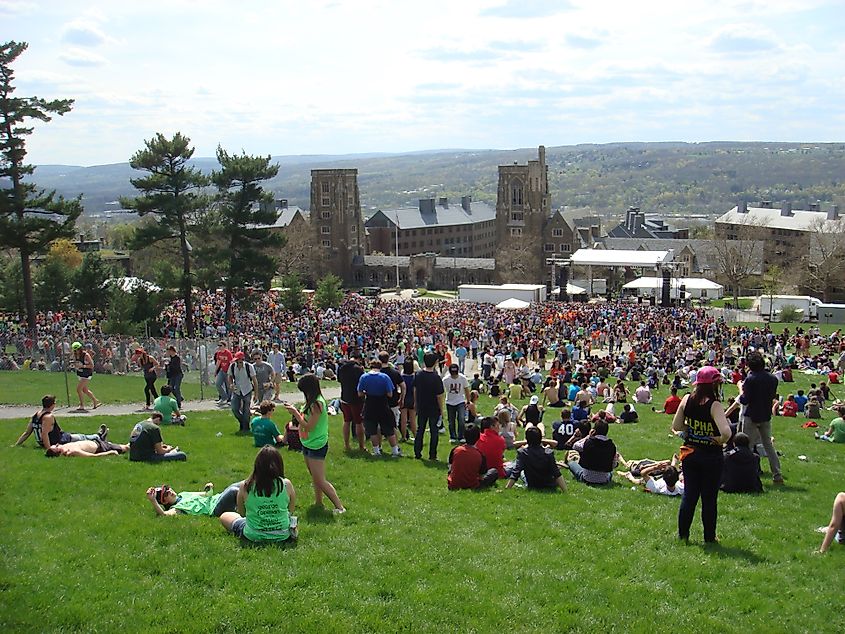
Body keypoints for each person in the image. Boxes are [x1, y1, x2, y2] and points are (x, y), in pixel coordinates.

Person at [672, 365, 732, 542]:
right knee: (709, 498)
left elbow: (676, 426)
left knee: (689, 496)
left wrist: (692, 430)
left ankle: (683, 535)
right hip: (711, 456)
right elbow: (727, 433)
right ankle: (709, 537)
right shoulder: (714, 405)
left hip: (690, 453)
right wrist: (718, 440)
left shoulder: (686, 399)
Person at [283, 374, 345, 513]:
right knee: (315, 477)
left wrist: (295, 413)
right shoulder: (310, 401)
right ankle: (319, 502)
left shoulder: (317, 404)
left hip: (317, 444)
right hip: (307, 442)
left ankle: (340, 507)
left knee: (321, 480)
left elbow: (309, 426)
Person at [219, 446, 297, 543]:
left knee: (225, 516)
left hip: (253, 534)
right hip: (282, 534)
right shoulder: (286, 484)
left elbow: (242, 513)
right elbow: (291, 510)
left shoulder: (246, 486)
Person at [738, 352, 783, 485]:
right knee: (768, 446)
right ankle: (777, 474)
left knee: (747, 447)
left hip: (751, 416)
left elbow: (744, 400)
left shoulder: (750, 379)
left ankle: (747, 475)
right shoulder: (773, 379)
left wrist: (740, 388)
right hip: (765, 415)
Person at [12, 394, 105, 448]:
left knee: (77, 436)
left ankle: (98, 436)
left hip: (47, 441)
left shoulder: (36, 415)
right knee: (81, 437)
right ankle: (98, 437)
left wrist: (17, 444)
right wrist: (49, 448)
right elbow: (44, 434)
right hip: (59, 440)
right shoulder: (48, 417)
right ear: (52, 405)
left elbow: (27, 433)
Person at [357, 359, 401, 457]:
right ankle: (395, 451)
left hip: (370, 404)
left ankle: (376, 451)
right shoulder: (385, 377)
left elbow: (360, 393)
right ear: (380, 367)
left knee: (372, 429)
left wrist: (367, 392)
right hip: (382, 404)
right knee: (389, 428)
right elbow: (390, 394)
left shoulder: (364, 377)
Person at [505, 426, 567, 492]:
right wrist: (565, 490)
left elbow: (516, 472)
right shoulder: (549, 453)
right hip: (548, 483)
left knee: (522, 472)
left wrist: (507, 488)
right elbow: (556, 473)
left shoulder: (523, 453)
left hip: (533, 484)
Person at [146, 480, 243, 517]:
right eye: (166, 493)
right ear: (165, 501)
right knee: (233, 491)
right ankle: (245, 514)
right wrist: (153, 500)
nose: (169, 491)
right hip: (214, 509)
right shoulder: (177, 508)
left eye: (167, 488)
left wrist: (209, 487)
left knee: (242, 484)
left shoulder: (184, 494)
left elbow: (207, 494)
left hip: (217, 498)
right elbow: (164, 515)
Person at [447, 423, 499, 490]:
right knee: (494, 472)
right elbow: (482, 476)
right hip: (471, 485)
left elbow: (450, 467)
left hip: (453, 484)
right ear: (478, 437)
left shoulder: (455, 450)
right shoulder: (480, 455)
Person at [567, 418, 618, 485]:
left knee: (571, 463)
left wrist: (588, 436)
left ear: (594, 430)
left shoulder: (589, 442)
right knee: (610, 473)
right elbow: (613, 465)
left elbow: (575, 446)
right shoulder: (612, 446)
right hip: (604, 479)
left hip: (587, 477)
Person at [338, 351, 366, 451]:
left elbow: (339, 380)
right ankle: (361, 446)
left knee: (346, 421)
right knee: (358, 422)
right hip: (356, 398)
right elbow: (363, 383)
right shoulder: (358, 369)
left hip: (344, 397)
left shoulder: (341, 368)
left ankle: (346, 445)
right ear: (358, 359)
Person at [228, 351, 257, 433]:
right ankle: (242, 422)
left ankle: (245, 428)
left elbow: (255, 381)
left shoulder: (249, 367)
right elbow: (229, 376)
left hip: (247, 389)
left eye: (239, 361)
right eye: (237, 361)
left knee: (246, 410)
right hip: (237, 390)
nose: (238, 363)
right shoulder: (232, 366)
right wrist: (231, 384)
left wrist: (256, 394)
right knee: (234, 408)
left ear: (242, 359)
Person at [443, 363, 470, 443]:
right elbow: (441, 390)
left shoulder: (462, 378)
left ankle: (461, 436)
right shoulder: (445, 379)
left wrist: (468, 400)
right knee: (451, 420)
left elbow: (466, 389)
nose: (454, 375)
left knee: (461, 419)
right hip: (450, 402)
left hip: (460, 401)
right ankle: (453, 436)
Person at [71, 341, 99, 411]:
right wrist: (74, 365)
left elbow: (92, 365)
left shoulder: (86, 355)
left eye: (77, 349)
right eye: (74, 350)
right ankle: (95, 401)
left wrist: (83, 366)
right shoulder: (75, 355)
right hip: (80, 373)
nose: (76, 351)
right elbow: (76, 363)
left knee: (78, 389)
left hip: (86, 374)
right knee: (84, 390)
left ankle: (82, 405)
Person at [45, 437, 128, 458]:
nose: (58, 444)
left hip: (96, 441)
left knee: (123, 446)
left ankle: (103, 437)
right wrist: (109, 453)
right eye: (56, 446)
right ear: (59, 452)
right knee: (126, 448)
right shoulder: (73, 451)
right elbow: (92, 456)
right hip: (101, 447)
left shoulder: (64, 446)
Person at [399, 359, 417, 442]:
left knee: (403, 420)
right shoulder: (414, 377)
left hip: (404, 398)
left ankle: (403, 437)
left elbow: (401, 389)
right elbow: (414, 390)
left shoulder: (402, 377)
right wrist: (415, 401)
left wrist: (401, 399)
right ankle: (416, 436)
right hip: (412, 398)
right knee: (413, 420)